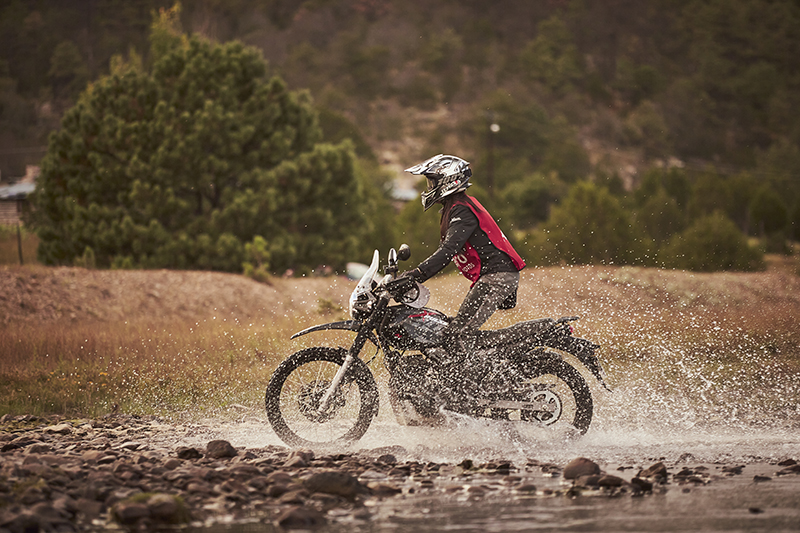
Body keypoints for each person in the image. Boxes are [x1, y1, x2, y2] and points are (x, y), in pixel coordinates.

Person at [400, 154, 526, 370]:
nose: (429, 187)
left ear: (448, 180)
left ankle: (472, 389)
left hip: (496, 277)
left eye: (432, 181)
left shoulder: (461, 209)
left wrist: (417, 274)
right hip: (492, 277)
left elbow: (448, 250)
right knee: (450, 329)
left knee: (457, 334)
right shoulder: (456, 207)